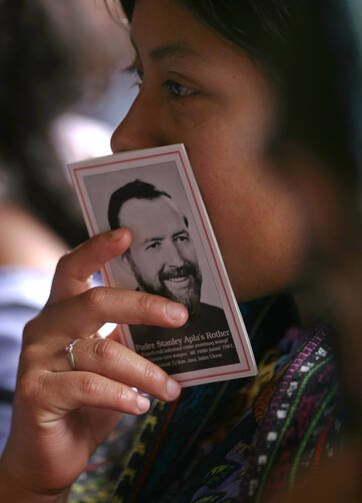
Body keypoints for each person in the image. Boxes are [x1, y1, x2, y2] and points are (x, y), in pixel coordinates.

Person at [0, 1, 358, 502]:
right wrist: (32, 487)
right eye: (138, 77)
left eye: (179, 86)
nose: (123, 136)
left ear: (326, 117)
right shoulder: (191, 380)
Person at [107, 179, 235, 372]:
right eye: (154, 245)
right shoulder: (116, 349)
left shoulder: (229, 325)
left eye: (181, 238)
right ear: (126, 260)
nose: (178, 261)